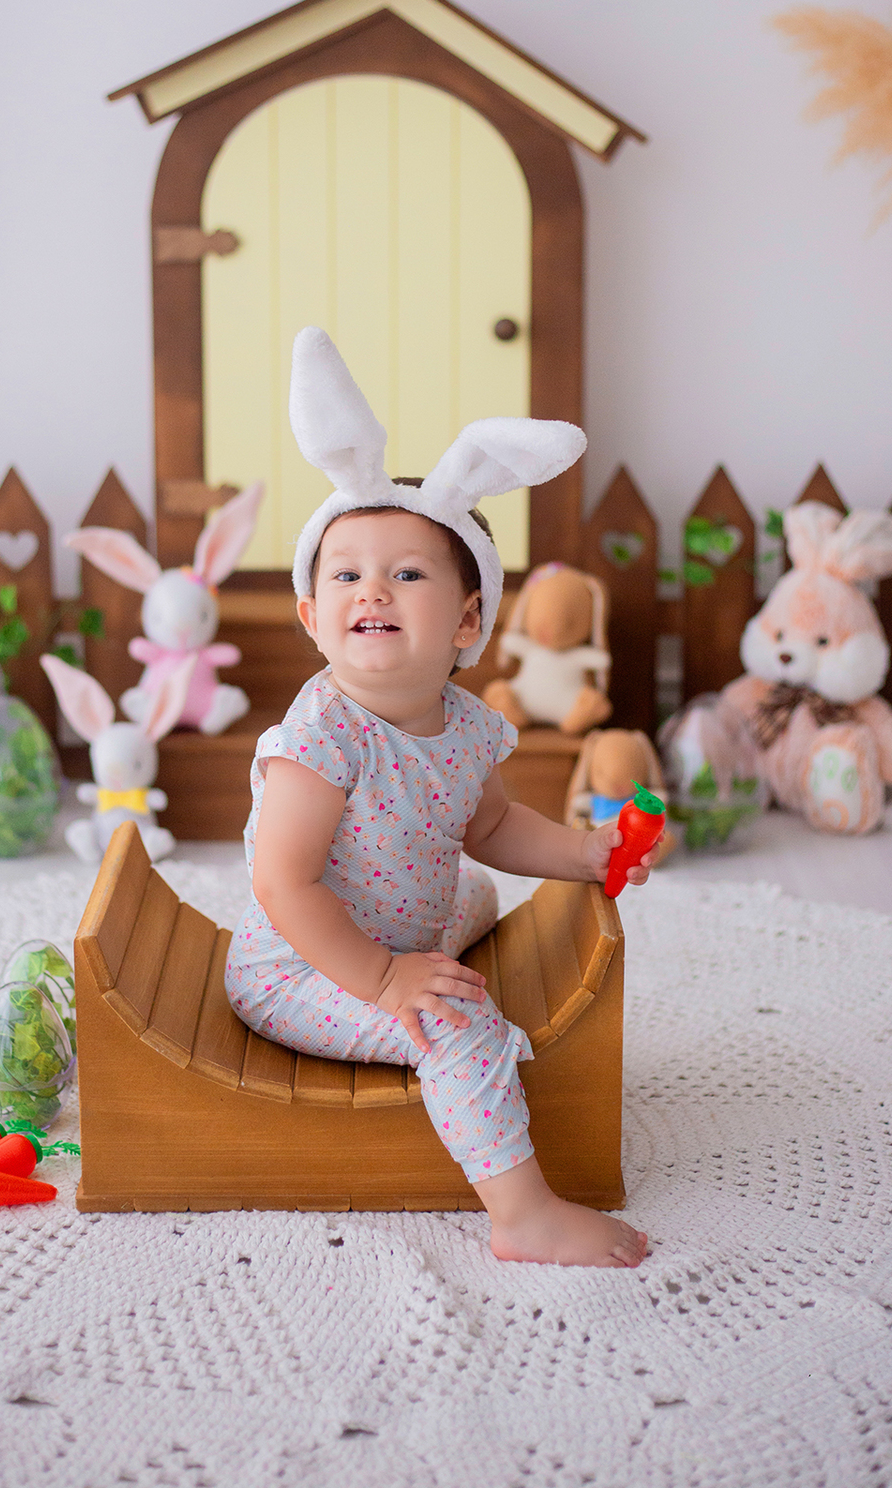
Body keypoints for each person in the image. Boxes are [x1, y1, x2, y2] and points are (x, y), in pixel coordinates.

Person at [225, 329, 660, 1266]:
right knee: (461, 1027)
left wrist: (586, 852)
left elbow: (491, 824)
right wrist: (387, 981)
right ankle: (523, 1214)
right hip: (303, 967)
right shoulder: (320, 736)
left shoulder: (465, 724)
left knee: (479, 890)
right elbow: (283, 884)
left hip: (401, 925)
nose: (372, 590)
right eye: (346, 574)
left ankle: (424, 962)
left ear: (469, 621)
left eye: (407, 573)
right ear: (312, 615)